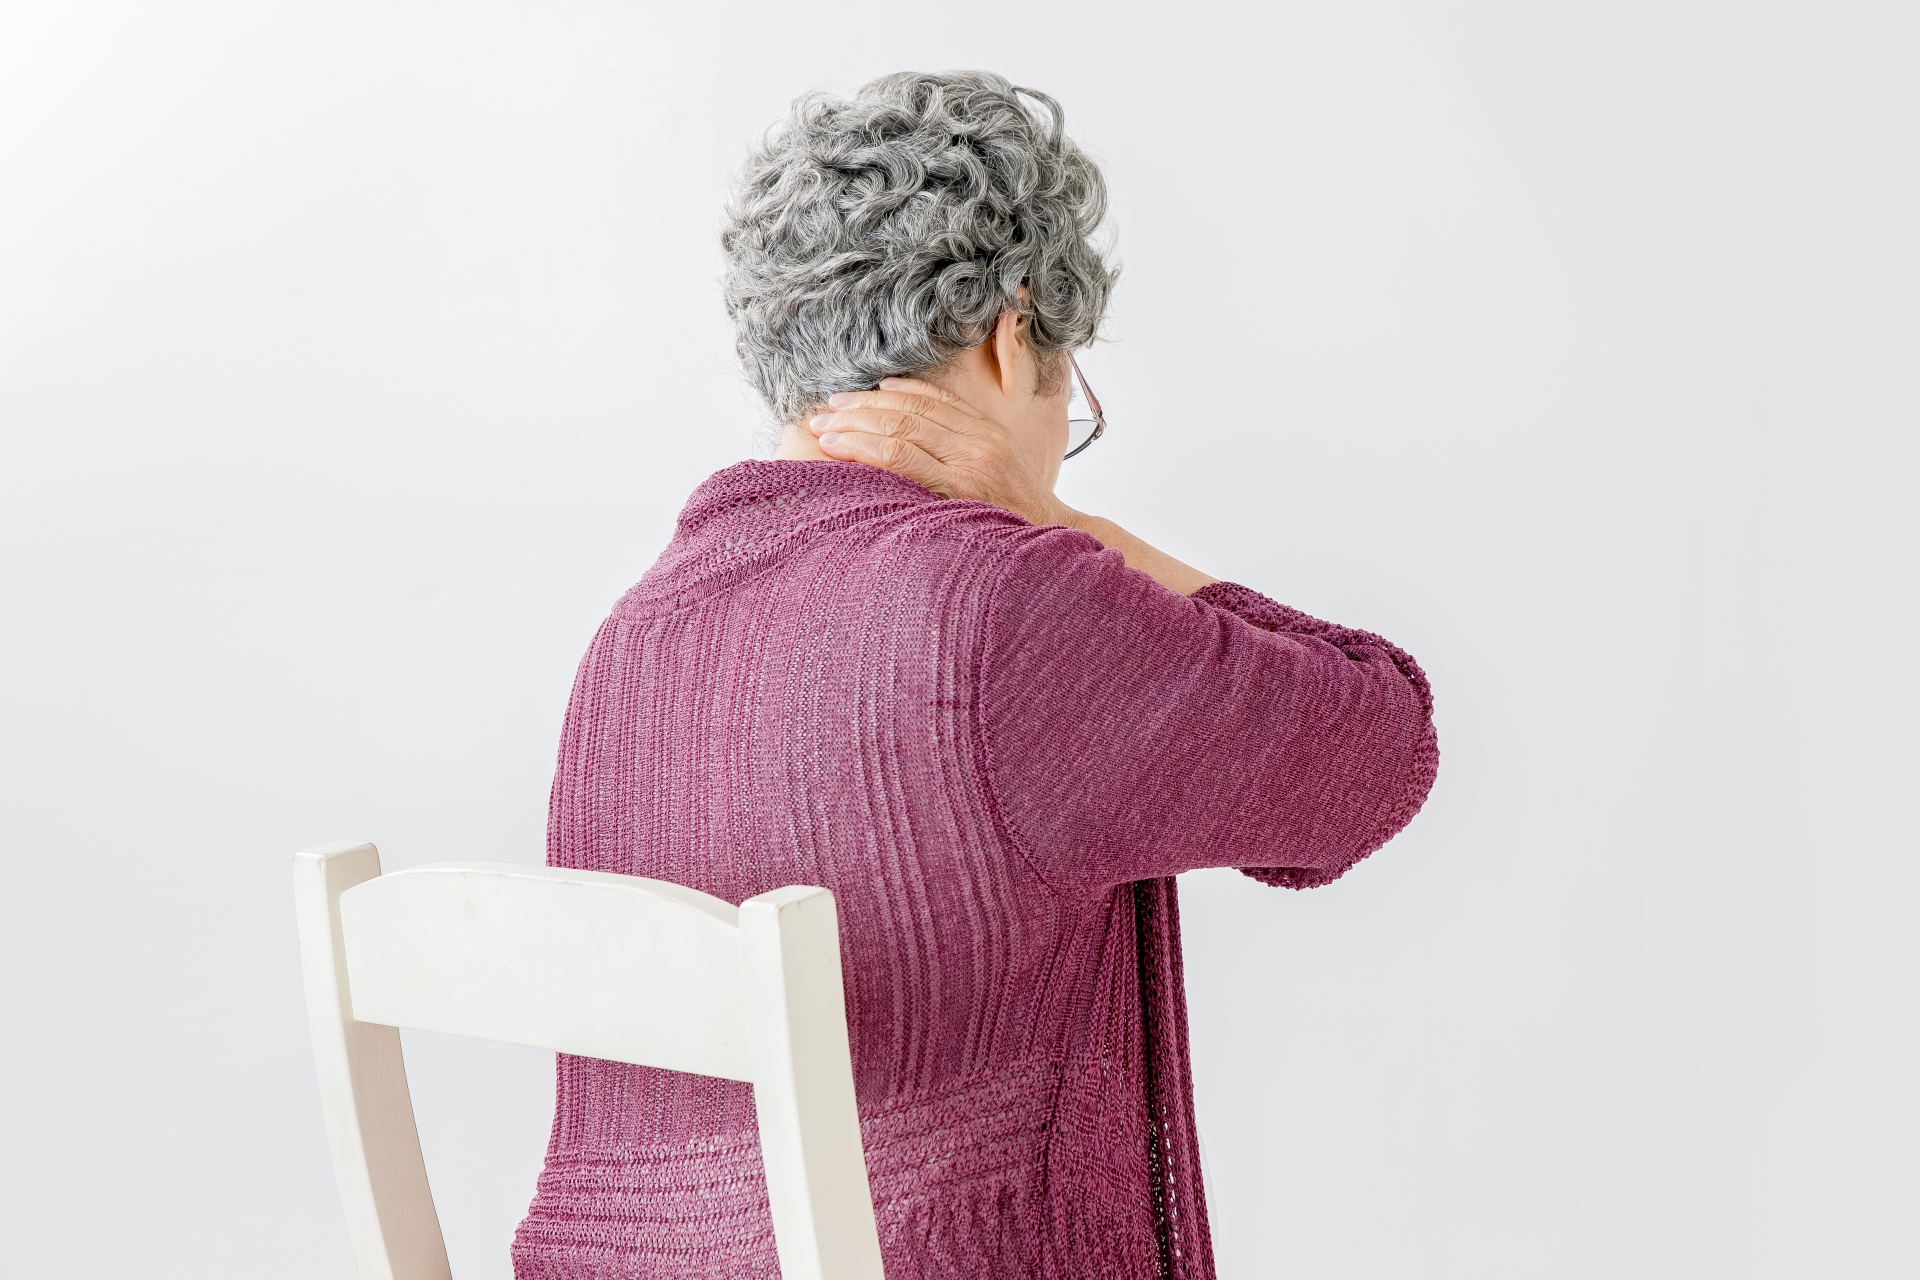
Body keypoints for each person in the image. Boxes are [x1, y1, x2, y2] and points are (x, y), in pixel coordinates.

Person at [512, 70, 1437, 1280]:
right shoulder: (1013, 607)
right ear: (1014, 332)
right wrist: (1056, 520)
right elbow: (1377, 751)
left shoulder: (635, 637)